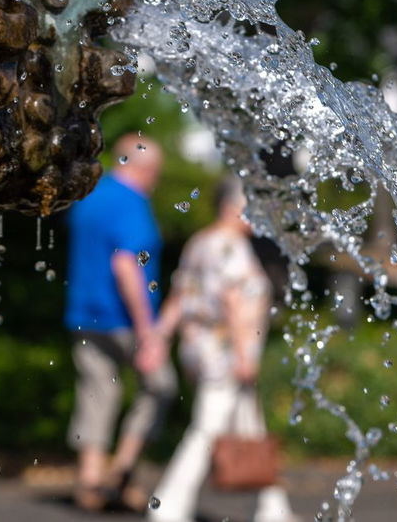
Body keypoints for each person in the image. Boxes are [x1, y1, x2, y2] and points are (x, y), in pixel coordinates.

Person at [141, 178, 297, 522]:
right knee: (206, 429)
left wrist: (159, 338)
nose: (257, 217)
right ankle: (166, 506)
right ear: (232, 207)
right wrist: (244, 355)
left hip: (201, 348)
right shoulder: (230, 246)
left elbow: (180, 295)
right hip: (225, 352)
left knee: (250, 428)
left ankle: (272, 510)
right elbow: (233, 302)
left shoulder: (200, 242)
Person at [65, 133, 177, 512]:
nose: (156, 181)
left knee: (97, 392)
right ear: (145, 169)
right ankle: (123, 471)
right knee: (160, 386)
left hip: (85, 314)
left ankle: (90, 479)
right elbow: (127, 266)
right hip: (125, 319)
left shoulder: (89, 198)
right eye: (156, 173)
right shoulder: (133, 205)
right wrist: (148, 332)